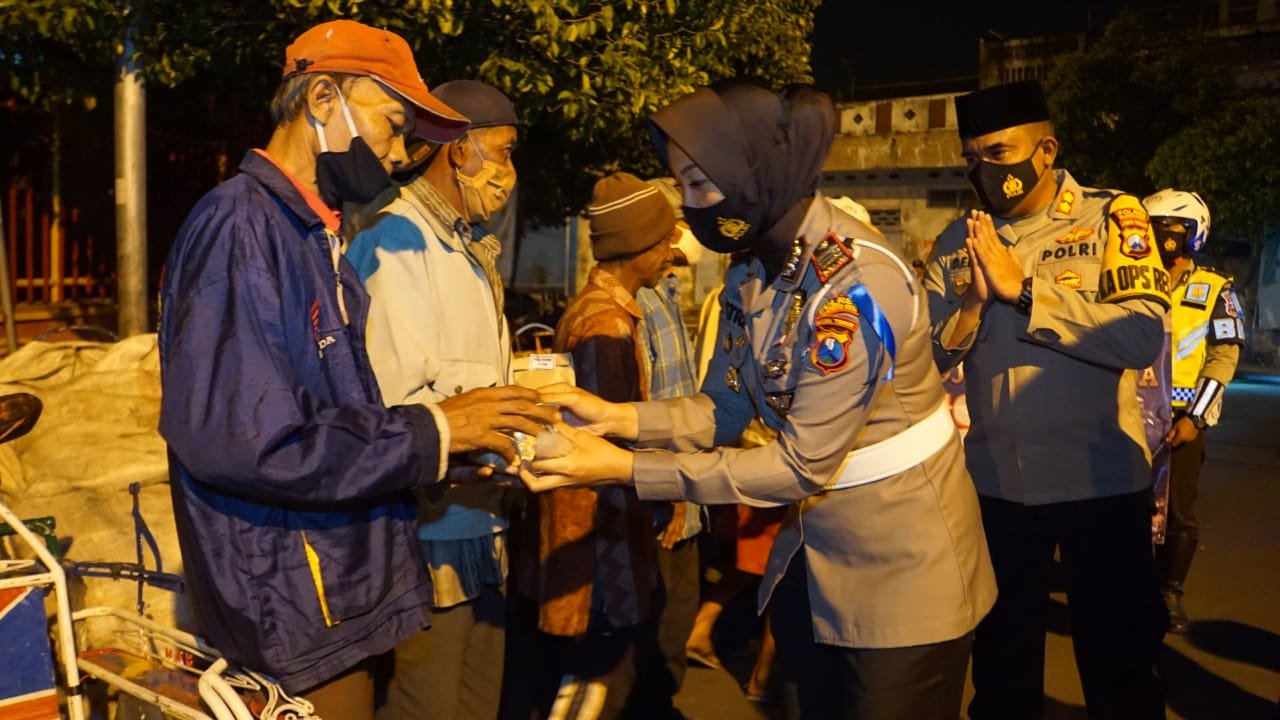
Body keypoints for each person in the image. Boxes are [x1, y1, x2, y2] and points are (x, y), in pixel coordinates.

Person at [528, 81, 996, 720]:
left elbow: (802, 464)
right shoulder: (755, 270)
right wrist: (615, 417)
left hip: (902, 570)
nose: (689, 208)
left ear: (753, 174)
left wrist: (622, 468)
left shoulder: (855, 287)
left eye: (699, 184)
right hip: (812, 554)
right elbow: (723, 408)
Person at [157, 21, 556, 719]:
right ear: (320, 97)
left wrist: (457, 449)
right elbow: (251, 444)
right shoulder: (240, 227)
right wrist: (435, 430)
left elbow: (336, 423)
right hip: (292, 604)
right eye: (394, 124)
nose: (400, 156)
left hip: (336, 589)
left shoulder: (311, 235)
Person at [924, 80, 1171, 719]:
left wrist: (1025, 288)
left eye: (1000, 150)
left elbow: (1142, 333)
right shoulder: (959, 240)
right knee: (1002, 677)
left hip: (1102, 487)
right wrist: (973, 305)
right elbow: (925, 360)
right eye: (973, 155)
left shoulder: (1113, 216)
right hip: (1000, 491)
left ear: (1046, 149)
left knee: (1120, 674)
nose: (986, 168)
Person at [344, 79, 519, 720]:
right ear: (457, 152)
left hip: (483, 525)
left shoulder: (469, 251)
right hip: (427, 537)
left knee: (476, 703)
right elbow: (396, 406)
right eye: (501, 152)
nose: (509, 172)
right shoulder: (395, 244)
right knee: (429, 705)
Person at [512, 172, 677, 719]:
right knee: (591, 693)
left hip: (594, 544)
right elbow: (604, 458)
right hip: (600, 553)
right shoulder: (606, 322)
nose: (671, 255)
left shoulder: (598, 307)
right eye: (663, 243)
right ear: (636, 249)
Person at [1143, 188, 1244, 633]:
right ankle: (1127, 587)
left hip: (1184, 418)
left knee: (1178, 511)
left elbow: (1223, 356)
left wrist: (1195, 418)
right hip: (1129, 415)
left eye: (1170, 229)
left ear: (1192, 234)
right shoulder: (1127, 282)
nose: (1161, 238)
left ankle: (1169, 591)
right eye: (1153, 227)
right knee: (1120, 506)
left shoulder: (1217, 290)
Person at [633, 176, 704, 718]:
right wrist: (675, 492)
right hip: (664, 499)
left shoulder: (668, 292)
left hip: (684, 494)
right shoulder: (637, 306)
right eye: (676, 226)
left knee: (676, 619)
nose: (684, 237)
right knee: (655, 632)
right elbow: (646, 412)